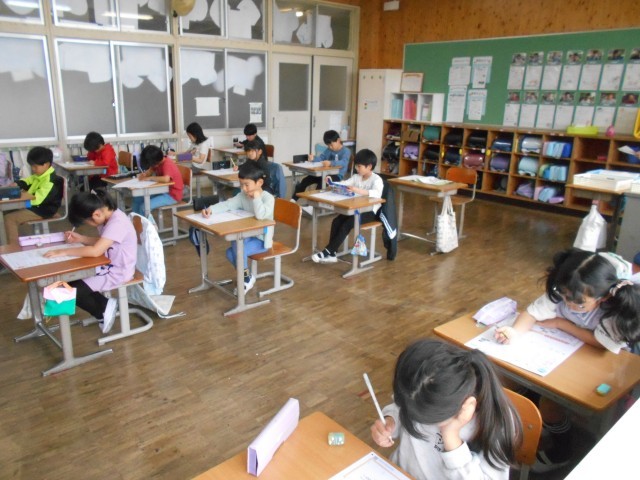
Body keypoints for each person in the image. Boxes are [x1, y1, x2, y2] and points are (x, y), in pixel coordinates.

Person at [495, 248, 640, 471]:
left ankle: (561, 451)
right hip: (558, 353)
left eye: (579, 303)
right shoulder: (567, 288)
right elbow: (532, 313)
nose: (569, 304)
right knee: (510, 379)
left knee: (550, 404)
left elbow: (601, 342)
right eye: (565, 297)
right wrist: (514, 332)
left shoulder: (614, 307)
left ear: (603, 297)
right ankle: (540, 423)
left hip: (597, 362)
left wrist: (561, 324)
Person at [371, 338, 522, 480]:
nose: (409, 415)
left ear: (466, 407)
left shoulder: (497, 425)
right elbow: (400, 407)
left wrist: (451, 436)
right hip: (398, 473)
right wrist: (390, 421)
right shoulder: (417, 392)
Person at [43, 190, 137, 334]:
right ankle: (104, 306)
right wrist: (81, 239)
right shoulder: (107, 216)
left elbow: (95, 251)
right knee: (65, 282)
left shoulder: (117, 223)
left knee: (67, 291)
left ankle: (101, 311)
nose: (89, 225)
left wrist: (64, 252)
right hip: (107, 265)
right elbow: (105, 241)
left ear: (96, 214)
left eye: (87, 222)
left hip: (118, 271)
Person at [201, 161, 274, 294]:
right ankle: (247, 277)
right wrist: (211, 209)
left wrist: (256, 197)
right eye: (241, 185)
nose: (244, 189)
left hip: (262, 240)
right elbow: (228, 205)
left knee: (237, 250)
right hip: (246, 236)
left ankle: (245, 280)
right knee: (231, 251)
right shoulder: (242, 196)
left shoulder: (268, 198)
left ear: (259, 183)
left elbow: (260, 215)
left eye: (247, 185)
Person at [312, 149, 383, 264]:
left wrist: (357, 190)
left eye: (359, 166)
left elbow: (377, 194)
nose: (356, 168)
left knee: (347, 224)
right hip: (356, 210)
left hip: (370, 212)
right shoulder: (356, 177)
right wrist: (331, 182)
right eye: (356, 166)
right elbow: (345, 183)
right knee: (336, 221)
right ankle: (332, 254)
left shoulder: (377, 180)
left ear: (369, 166)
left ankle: (327, 251)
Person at [4, 146, 63, 244]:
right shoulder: (40, 175)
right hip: (33, 206)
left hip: (43, 210)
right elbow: (28, 180)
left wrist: (22, 201)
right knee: (5, 211)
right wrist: (17, 184)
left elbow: (38, 199)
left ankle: (13, 247)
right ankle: (6, 241)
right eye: (31, 166)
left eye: (35, 166)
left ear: (46, 164)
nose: (33, 169)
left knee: (10, 218)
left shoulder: (51, 181)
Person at [291, 129, 351, 204]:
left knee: (321, 185)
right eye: (328, 145)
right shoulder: (329, 150)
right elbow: (321, 158)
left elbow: (344, 162)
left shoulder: (346, 151)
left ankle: (313, 205)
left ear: (338, 140)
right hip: (324, 173)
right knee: (305, 180)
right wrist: (313, 158)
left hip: (337, 176)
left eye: (331, 145)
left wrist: (330, 163)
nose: (330, 147)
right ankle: (293, 200)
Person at [133, 145, 184, 216]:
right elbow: (150, 171)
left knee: (144, 207)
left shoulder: (167, 164)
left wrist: (150, 178)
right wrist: (145, 174)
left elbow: (166, 179)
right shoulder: (157, 162)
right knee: (138, 198)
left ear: (154, 161)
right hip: (162, 191)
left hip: (172, 195)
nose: (151, 166)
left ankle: (144, 223)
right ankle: (134, 220)